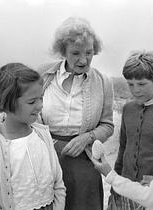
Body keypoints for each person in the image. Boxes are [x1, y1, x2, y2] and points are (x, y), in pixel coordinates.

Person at [38, 17, 114, 210]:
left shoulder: (104, 82)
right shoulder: (43, 74)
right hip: (46, 155)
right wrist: (47, 141)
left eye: (89, 53)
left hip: (84, 159)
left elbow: (108, 126)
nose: (83, 59)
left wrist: (86, 138)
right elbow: (29, 113)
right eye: (75, 53)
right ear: (63, 52)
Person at [0, 63, 66, 210]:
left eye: (41, 98)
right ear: (7, 102)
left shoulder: (43, 135)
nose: (40, 105)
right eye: (32, 101)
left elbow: (58, 184)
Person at [110, 50, 153, 209]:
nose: (135, 90)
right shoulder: (128, 109)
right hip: (125, 189)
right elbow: (123, 149)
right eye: (130, 84)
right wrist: (115, 184)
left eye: (141, 84)